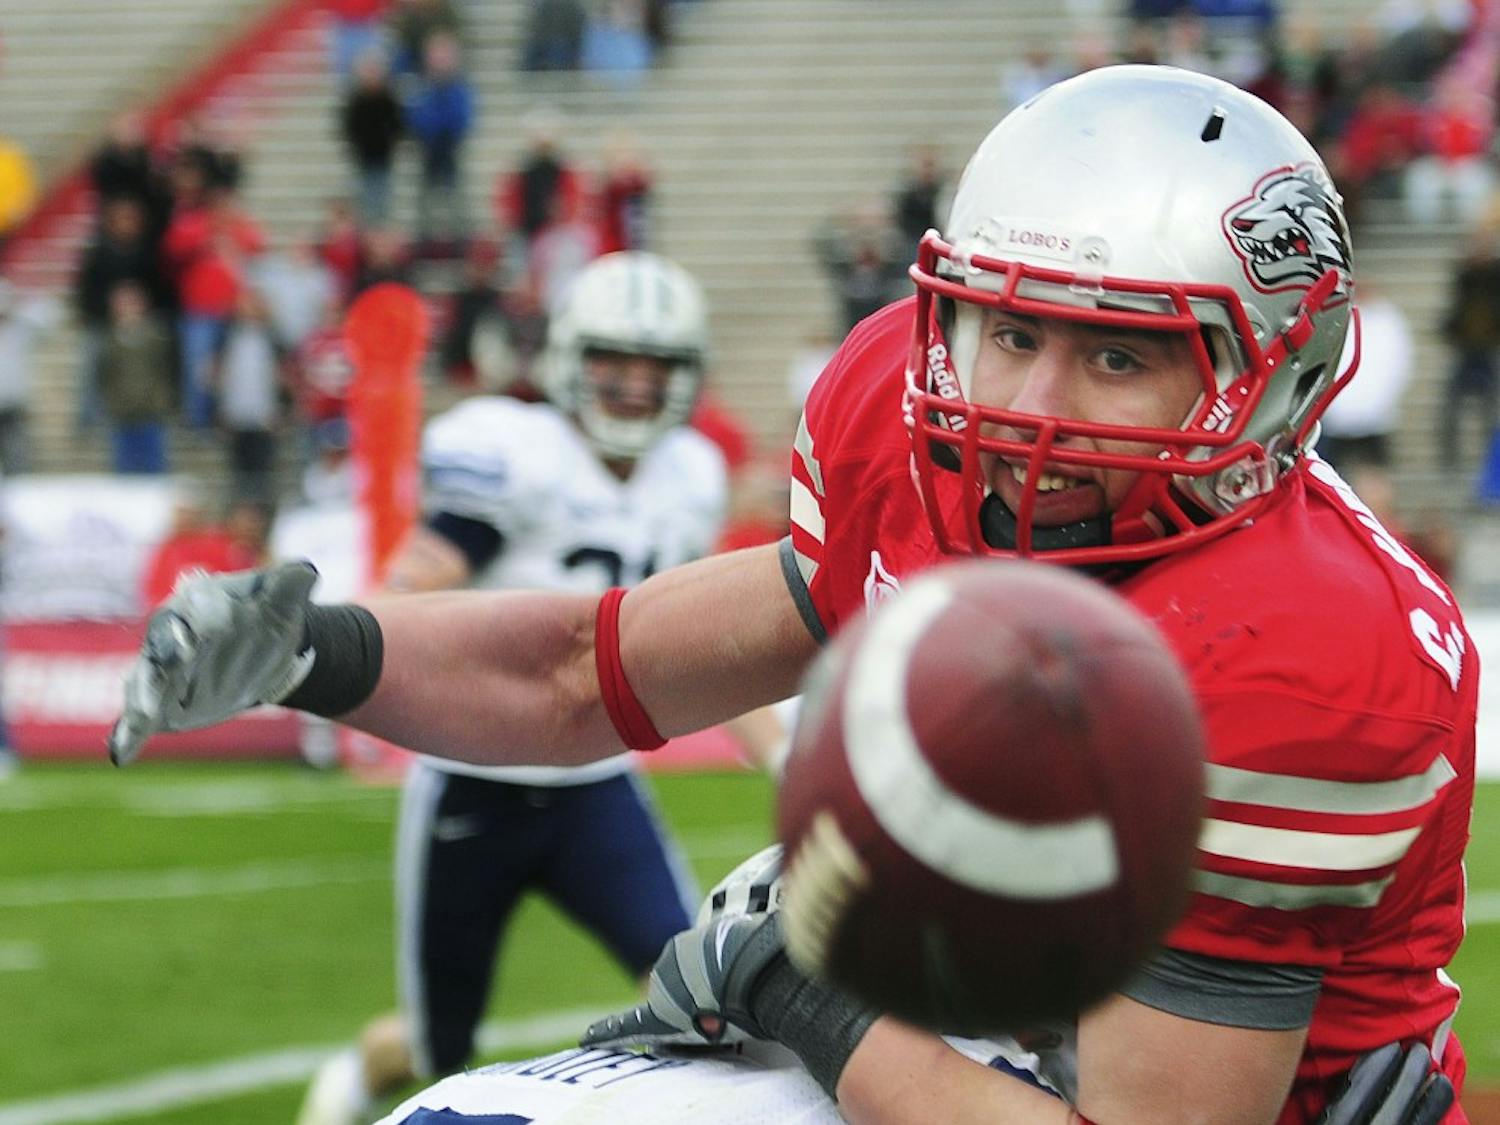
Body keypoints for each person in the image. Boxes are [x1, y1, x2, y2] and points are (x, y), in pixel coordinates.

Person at [112, 67, 1476, 1124]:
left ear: (1274, 378)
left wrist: (802, 992)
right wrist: (320, 650)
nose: (1026, 413)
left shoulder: (1303, 654)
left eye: (1119, 359)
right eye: (1010, 329)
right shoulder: (905, 416)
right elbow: (580, 678)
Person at [295, 250, 728, 1125]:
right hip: (473, 782)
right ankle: (337, 1099)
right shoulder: (516, 451)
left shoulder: (690, 477)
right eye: (616, 361)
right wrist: (318, 645)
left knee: (700, 1008)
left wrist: (798, 754)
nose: (636, 386)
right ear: (572, 358)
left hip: (596, 785)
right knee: (433, 1044)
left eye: (657, 367)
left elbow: (705, 645)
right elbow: (419, 580)